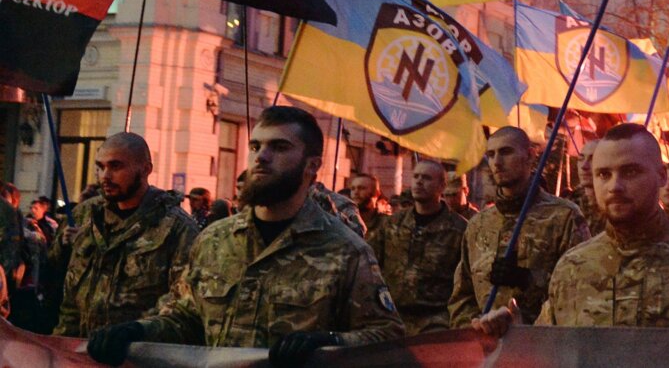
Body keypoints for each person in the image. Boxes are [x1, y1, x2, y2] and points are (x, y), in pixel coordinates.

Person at [85, 106, 403, 367]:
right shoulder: (215, 241)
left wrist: (329, 342)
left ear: (312, 166)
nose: (261, 157)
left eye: (279, 147)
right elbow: (185, 318)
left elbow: (387, 337)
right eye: (255, 147)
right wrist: (135, 331)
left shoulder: (344, 250)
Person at [470, 124, 669, 366]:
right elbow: (548, 348)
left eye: (630, 172)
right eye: (604, 174)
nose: (614, 186)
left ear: (659, 176)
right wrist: (510, 330)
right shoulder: (573, 268)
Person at [55, 133, 198, 338]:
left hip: (139, 356)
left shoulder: (178, 229)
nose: (105, 176)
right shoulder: (86, 216)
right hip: (80, 353)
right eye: (101, 167)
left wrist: (137, 332)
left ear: (146, 169)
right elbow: (68, 300)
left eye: (116, 166)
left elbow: (185, 309)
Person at [449, 126, 590, 326]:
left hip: (542, 344)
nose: (497, 162)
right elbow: (462, 296)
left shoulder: (564, 216)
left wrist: (529, 279)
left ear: (530, 156)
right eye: (491, 155)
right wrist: (475, 330)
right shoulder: (478, 225)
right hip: (487, 348)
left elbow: (582, 290)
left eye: (506, 152)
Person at [367, 159, 467, 334]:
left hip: (436, 322)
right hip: (391, 318)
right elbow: (370, 264)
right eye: (416, 177)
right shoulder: (392, 224)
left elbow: (466, 280)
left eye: (427, 178)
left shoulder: (459, 229)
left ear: (442, 186)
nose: (419, 182)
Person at [571, 139, 606, 236]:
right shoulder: (568, 206)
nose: (584, 166)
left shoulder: (615, 207)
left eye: (593, 159)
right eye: (581, 159)